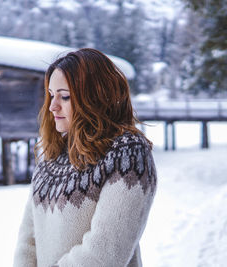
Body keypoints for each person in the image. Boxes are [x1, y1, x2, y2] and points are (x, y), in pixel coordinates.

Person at [13, 48, 157, 267]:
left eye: (65, 96)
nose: (52, 106)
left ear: (95, 96)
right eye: (51, 95)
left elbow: (105, 251)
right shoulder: (52, 156)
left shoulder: (127, 154)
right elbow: (28, 242)